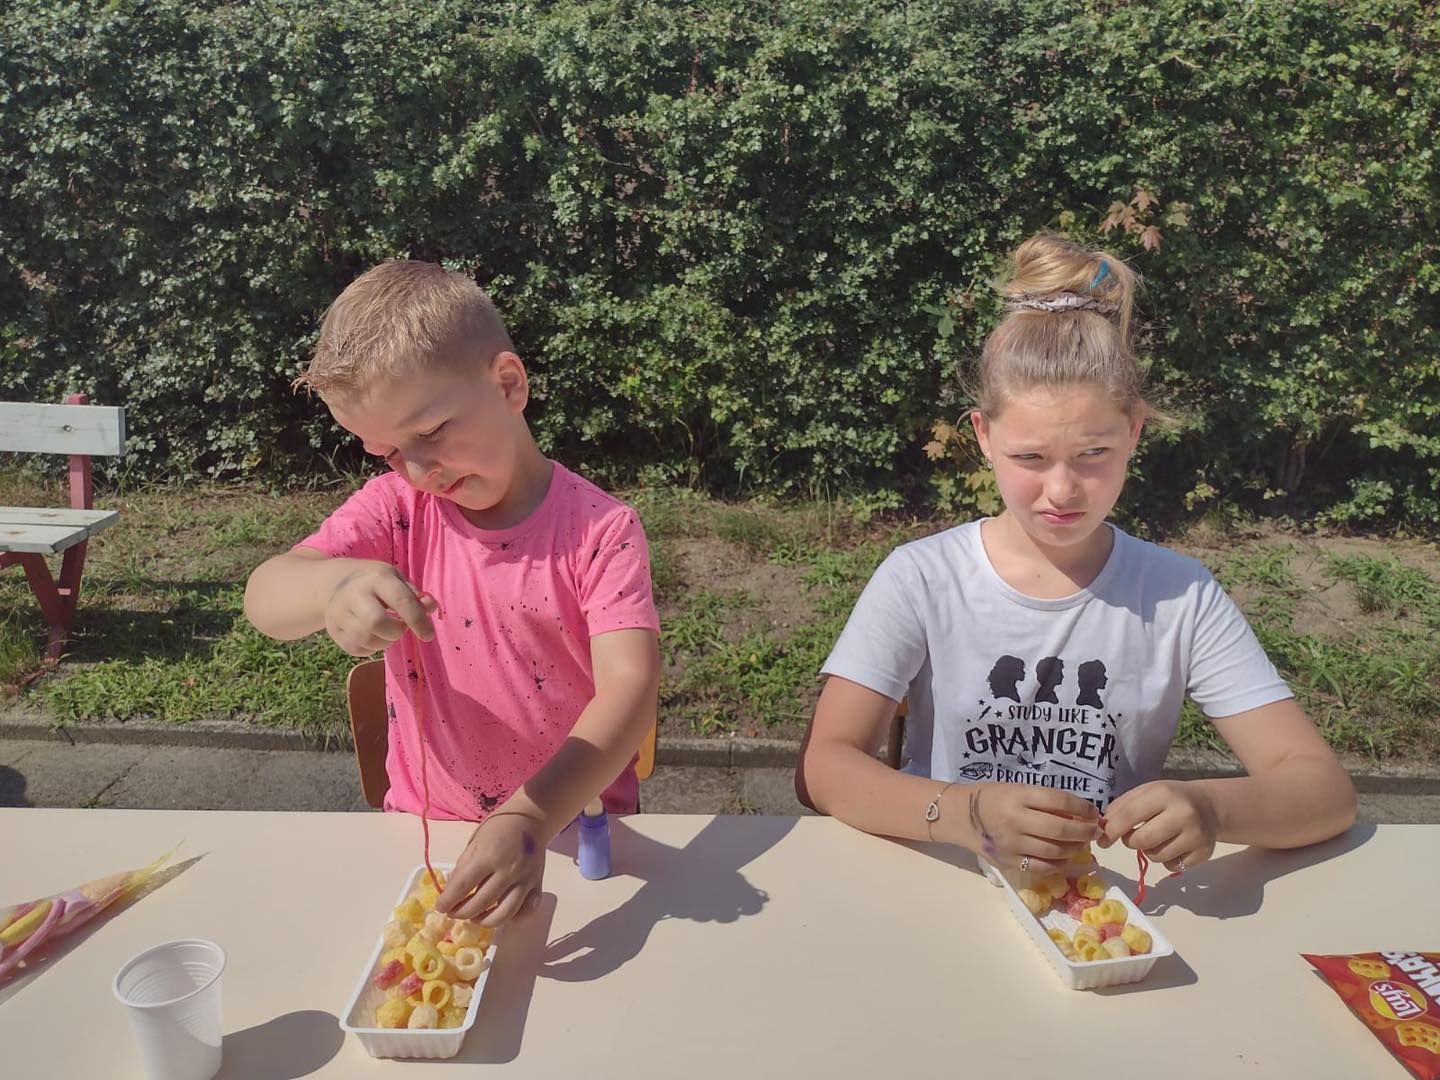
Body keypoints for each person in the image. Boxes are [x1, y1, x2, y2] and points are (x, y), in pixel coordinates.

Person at [795, 233, 1355, 879]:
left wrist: (1212, 807)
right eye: (1029, 457)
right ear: (983, 435)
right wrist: (964, 814)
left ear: (1134, 431)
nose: (1061, 490)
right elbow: (825, 765)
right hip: (945, 882)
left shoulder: (1178, 594)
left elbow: (1323, 791)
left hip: (1107, 903)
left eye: (1093, 454)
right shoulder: (922, 576)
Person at [244, 261, 660, 924]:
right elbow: (265, 594)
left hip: (575, 837)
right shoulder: (397, 511)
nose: (417, 470)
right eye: (386, 452)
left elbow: (630, 690)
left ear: (508, 384)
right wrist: (333, 587)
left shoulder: (599, 531)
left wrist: (529, 817)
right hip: (429, 838)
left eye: (432, 431)